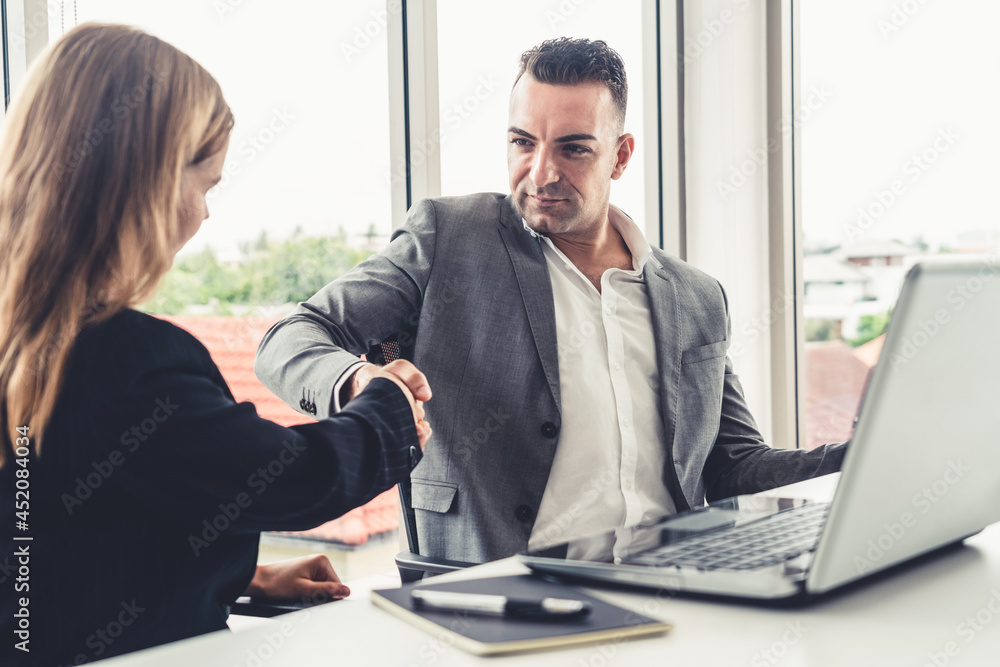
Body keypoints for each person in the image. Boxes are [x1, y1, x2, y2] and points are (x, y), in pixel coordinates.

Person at [254, 37, 846, 565]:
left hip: (674, 595)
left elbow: (734, 468)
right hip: (499, 601)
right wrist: (357, 380)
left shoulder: (695, 296)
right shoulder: (449, 240)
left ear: (619, 155)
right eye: (522, 142)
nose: (540, 172)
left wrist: (864, 452)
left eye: (573, 149)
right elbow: (293, 337)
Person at [0, 23, 430, 666]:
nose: (204, 214)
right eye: (204, 184)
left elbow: (59, 544)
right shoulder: (127, 360)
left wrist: (236, 579)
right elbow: (285, 477)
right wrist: (391, 410)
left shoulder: (25, 342)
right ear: (144, 181)